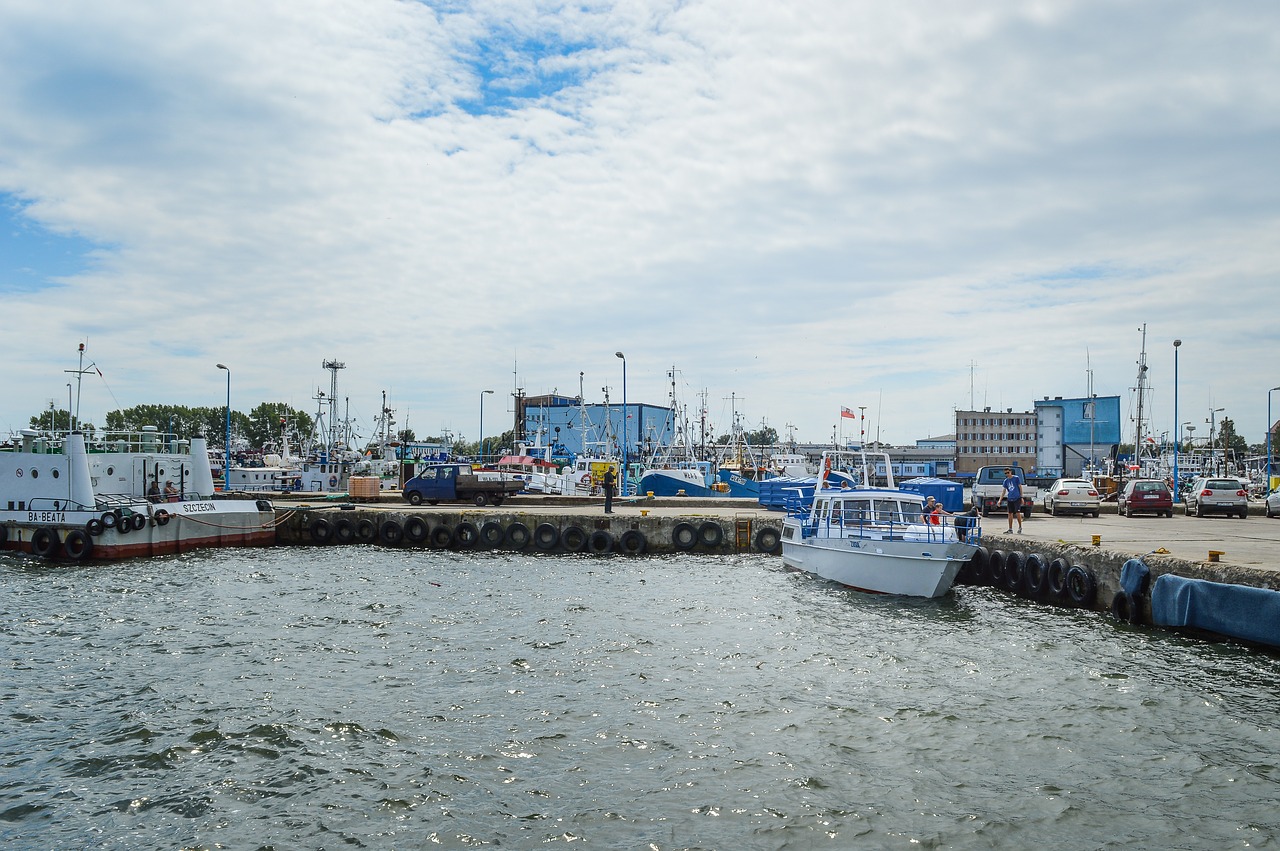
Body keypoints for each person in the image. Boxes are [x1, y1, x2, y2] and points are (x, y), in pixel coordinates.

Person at [998, 467, 1024, 533]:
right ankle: (1010, 528)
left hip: (1017, 498)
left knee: (1017, 512)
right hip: (1010, 498)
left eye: (1008, 473)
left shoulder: (1016, 478)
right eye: (1005, 473)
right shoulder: (1006, 481)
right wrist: (1000, 500)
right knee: (1010, 513)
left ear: (1010, 472)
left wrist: (1021, 497)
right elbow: (1003, 491)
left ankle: (1020, 527)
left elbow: (1020, 487)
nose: (1007, 474)